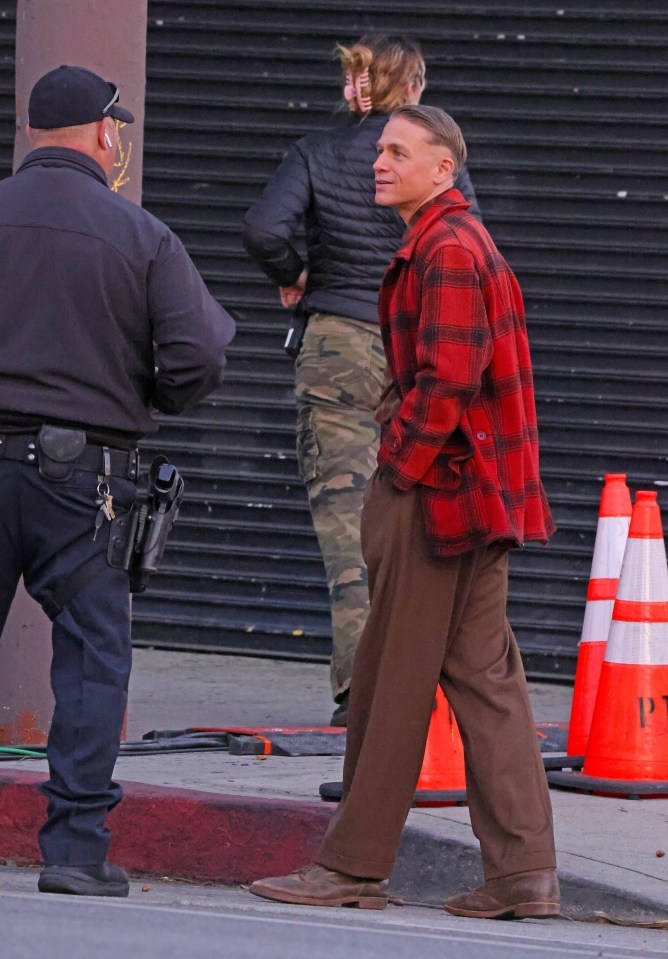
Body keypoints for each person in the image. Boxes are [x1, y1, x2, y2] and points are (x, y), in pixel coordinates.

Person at [248, 104, 560, 920]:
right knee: (487, 682)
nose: (377, 163)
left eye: (396, 152)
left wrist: (397, 469)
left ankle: (352, 866)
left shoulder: (448, 249)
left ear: (441, 169)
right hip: (476, 495)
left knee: (389, 678)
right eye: (379, 150)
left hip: (440, 497)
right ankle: (524, 873)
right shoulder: (443, 241)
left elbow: (448, 382)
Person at [0, 65, 235, 897]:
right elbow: (200, 356)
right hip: (84, 476)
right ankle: (73, 850)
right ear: (104, 134)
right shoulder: (139, 236)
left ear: (31, 133)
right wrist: (151, 394)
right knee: (95, 657)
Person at [242, 35, 481, 725]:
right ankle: (426, 688)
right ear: (414, 89)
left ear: (361, 84)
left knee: (349, 528)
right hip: (417, 345)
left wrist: (296, 275)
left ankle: (362, 698)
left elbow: (263, 227)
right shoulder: (438, 163)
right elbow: (468, 240)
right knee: (422, 516)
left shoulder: (317, 151)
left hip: (339, 344)